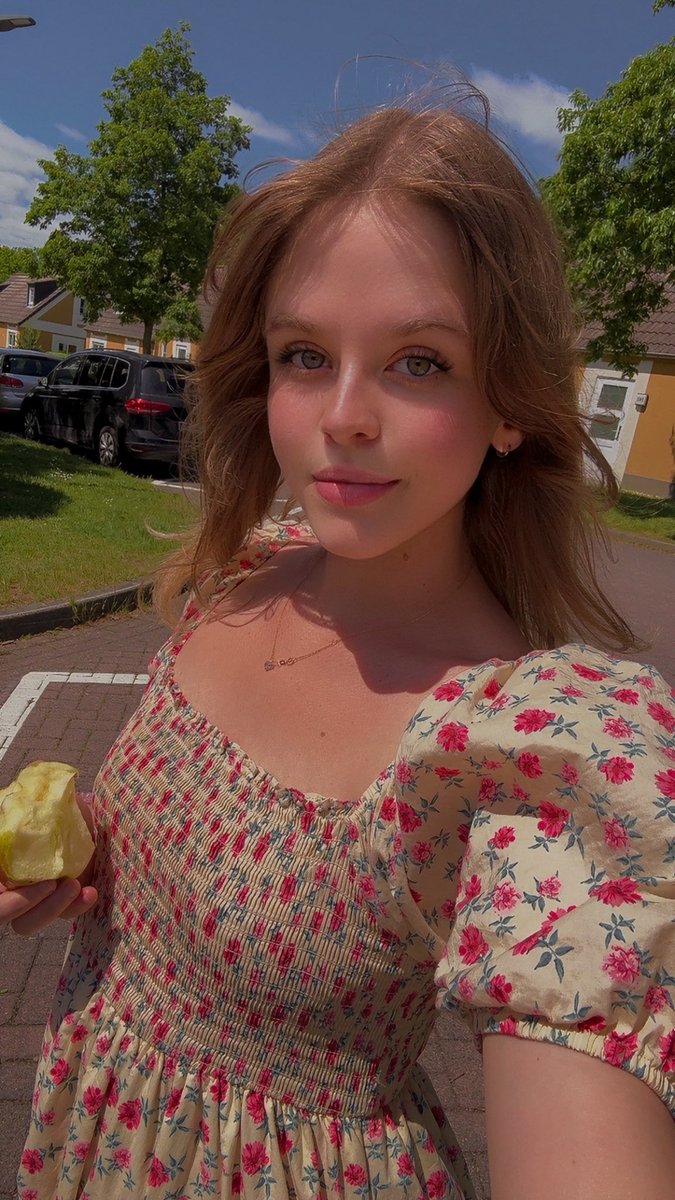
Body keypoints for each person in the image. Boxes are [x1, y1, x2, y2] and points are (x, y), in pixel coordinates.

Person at [3, 94, 674, 1200]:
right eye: (305, 354)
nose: (343, 415)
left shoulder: (528, 747)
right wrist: (85, 858)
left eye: (420, 361)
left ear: (511, 401)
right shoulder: (248, 566)